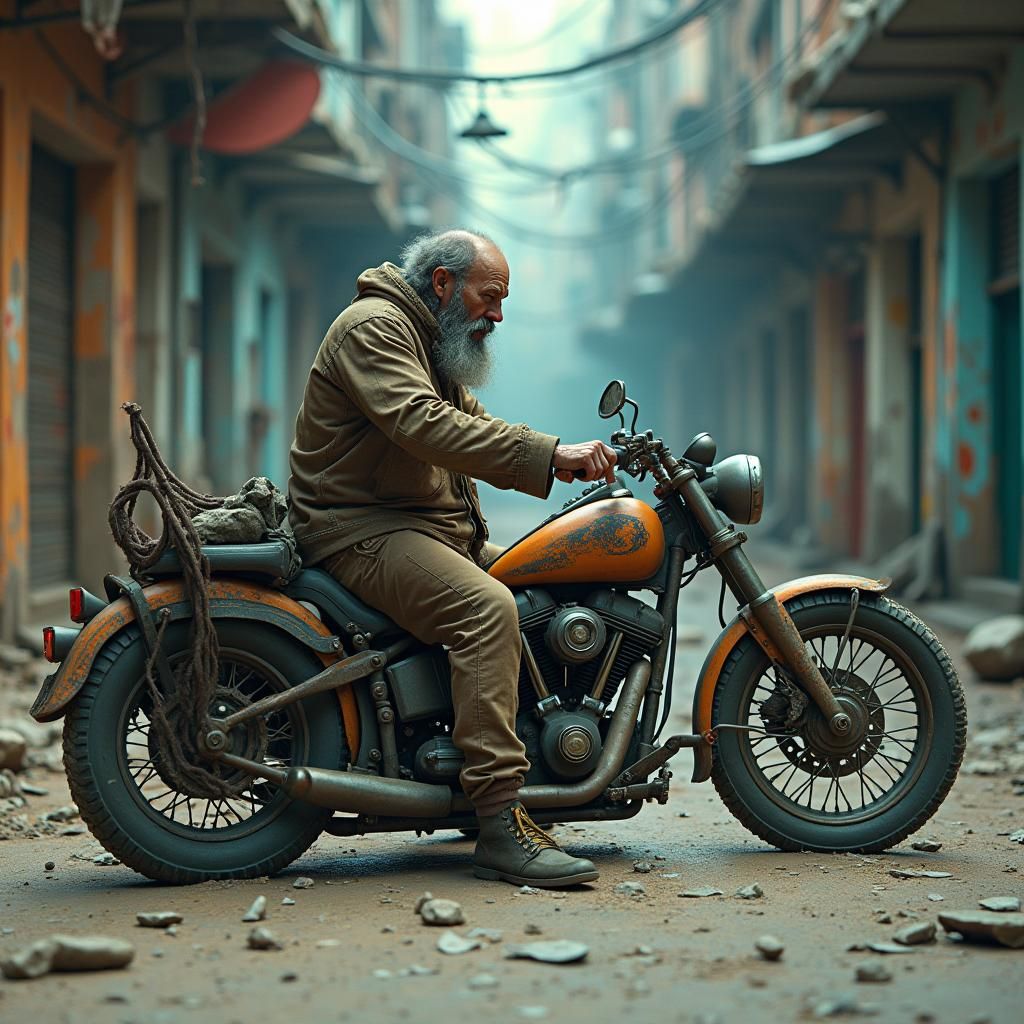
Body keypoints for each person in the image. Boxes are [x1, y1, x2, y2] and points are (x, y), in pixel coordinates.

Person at [288, 229, 617, 887]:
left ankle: (511, 760)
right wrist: (548, 454)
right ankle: (498, 820)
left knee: (544, 576)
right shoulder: (375, 329)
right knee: (486, 609)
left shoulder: (425, 340)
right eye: (489, 296)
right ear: (442, 283)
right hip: (358, 530)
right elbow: (425, 425)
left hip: (411, 525)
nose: (497, 314)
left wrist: (561, 453)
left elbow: (473, 422)